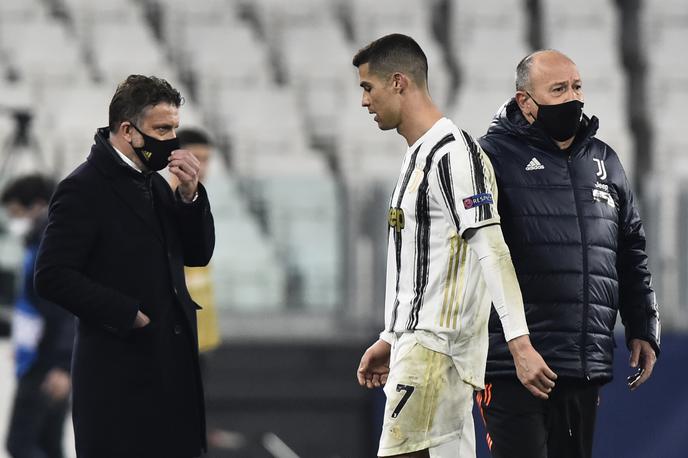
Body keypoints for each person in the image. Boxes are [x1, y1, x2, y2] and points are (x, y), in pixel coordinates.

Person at [352, 34, 555, 458]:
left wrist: (520, 344)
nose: (364, 102)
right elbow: (425, 262)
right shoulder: (418, 154)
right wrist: (391, 335)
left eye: (367, 88)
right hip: (425, 348)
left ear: (398, 82)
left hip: (435, 351)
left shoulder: (453, 154)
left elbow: (492, 249)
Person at [475, 50, 660, 458]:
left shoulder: (604, 160)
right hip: (512, 367)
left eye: (577, 87)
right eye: (558, 90)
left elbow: (630, 247)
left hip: (582, 362)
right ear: (525, 102)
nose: (572, 98)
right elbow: (477, 253)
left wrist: (643, 323)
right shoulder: (489, 157)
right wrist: (514, 348)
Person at [34, 75, 215, 458]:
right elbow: (51, 275)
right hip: (118, 375)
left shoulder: (154, 184)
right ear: (128, 131)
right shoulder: (82, 188)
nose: (171, 140)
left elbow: (197, 255)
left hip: (171, 372)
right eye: (162, 129)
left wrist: (189, 195)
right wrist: (129, 313)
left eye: (175, 129)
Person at [2, 174, 74, 458]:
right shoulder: (37, 244)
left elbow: (65, 309)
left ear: (39, 205)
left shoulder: (49, 245)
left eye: (17, 213)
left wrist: (61, 365)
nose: (13, 221)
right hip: (40, 356)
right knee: (48, 444)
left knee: (20, 444)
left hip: (44, 364)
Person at [169, 128, 221, 364]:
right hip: (174, 335)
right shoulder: (164, 204)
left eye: (207, 159)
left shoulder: (198, 202)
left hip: (200, 336)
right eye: (197, 158)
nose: (203, 167)